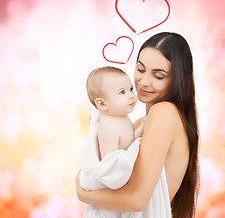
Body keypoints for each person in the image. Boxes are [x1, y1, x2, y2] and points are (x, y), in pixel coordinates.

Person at [76, 32, 200, 218]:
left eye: (158, 76)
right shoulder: (138, 124)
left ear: (177, 80)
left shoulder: (165, 112)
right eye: (140, 69)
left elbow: (137, 200)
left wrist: (84, 193)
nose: (143, 81)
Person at [80, 66, 143, 217]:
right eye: (122, 92)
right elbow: (111, 168)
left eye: (130, 89)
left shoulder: (119, 116)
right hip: (108, 202)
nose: (131, 96)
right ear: (102, 104)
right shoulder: (108, 127)